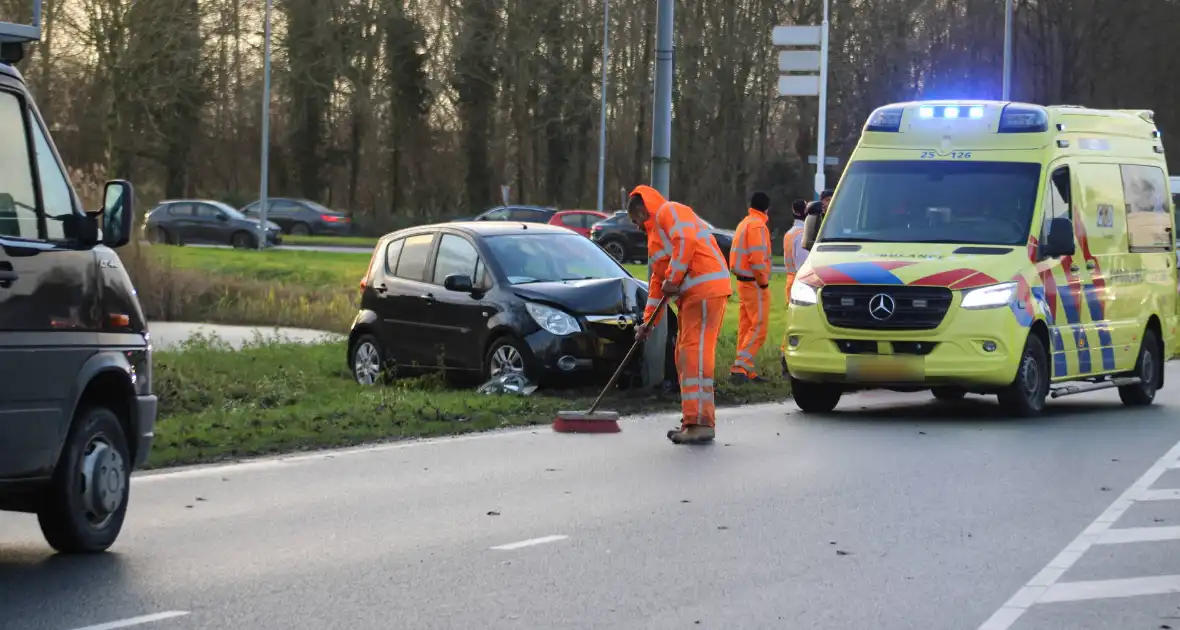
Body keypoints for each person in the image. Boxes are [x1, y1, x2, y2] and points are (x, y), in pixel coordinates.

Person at [630, 185, 732, 445]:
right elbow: (657, 283)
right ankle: (694, 420)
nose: (635, 227)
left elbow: (685, 242)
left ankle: (700, 423)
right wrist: (647, 323)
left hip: (705, 289)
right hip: (693, 296)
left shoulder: (669, 211)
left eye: (635, 221)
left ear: (643, 211)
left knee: (693, 355)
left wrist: (674, 278)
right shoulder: (655, 239)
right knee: (686, 355)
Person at [728, 192, 773, 384]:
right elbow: (757, 259)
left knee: (746, 326)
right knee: (759, 327)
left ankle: (746, 371)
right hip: (755, 283)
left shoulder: (744, 223)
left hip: (742, 281)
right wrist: (763, 281)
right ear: (766, 208)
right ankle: (741, 366)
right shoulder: (758, 226)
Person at [780, 198, 810, 375]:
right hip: (798, 279)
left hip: (789, 278)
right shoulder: (801, 234)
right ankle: (788, 358)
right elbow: (803, 262)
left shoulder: (790, 233)